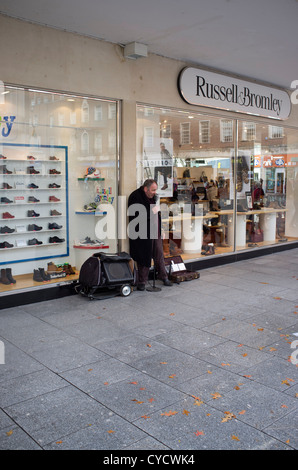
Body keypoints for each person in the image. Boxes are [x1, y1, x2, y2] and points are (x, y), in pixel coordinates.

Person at [128, 179, 173, 290]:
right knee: (144, 256)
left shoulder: (151, 196)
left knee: (159, 254)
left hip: (154, 231)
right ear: (145, 189)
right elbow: (136, 216)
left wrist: (160, 229)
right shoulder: (135, 196)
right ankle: (142, 282)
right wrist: (151, 212)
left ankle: (163, 276)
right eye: (153, 190)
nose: (154, 192)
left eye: (155, 190)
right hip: (142, 233)